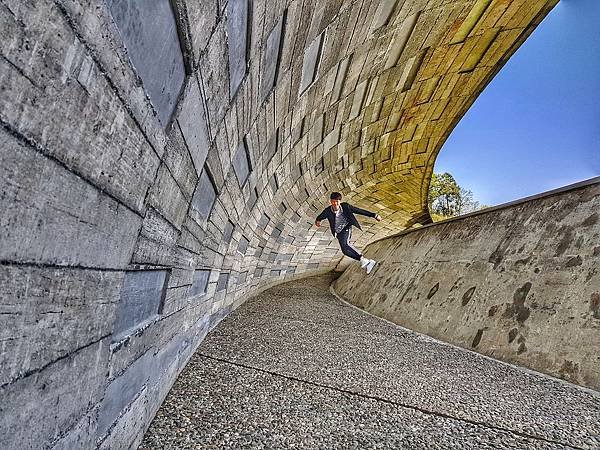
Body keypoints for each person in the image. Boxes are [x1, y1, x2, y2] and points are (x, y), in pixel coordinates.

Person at [315, 192, 382, 274]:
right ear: (330, 201)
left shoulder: (345, 206)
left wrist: (374, 215)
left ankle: (364, 260)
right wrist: (318, 221)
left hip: (346, 228)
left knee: (346, 244)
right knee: (345, 251)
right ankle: (366, 262)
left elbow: (359, 211)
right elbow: (320, 216)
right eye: (333, 202)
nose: (335, 204)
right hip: (338, 232)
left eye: (337, 202)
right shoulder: (328, 211)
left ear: (340, 201)